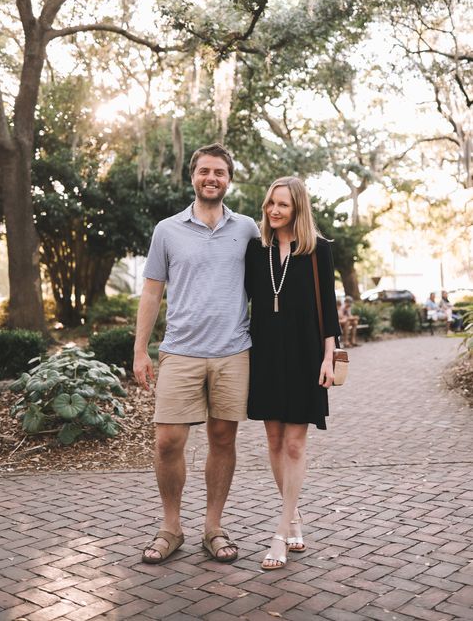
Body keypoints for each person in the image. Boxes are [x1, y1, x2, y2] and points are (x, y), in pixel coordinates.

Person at [133, 143, 259, 565]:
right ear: (193, 176)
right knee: (168, 441)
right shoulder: (167, 230)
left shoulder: (247, 230)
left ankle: (213, 527)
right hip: (180, 352)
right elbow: (152, 292)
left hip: (232, 351)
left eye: (219, 172)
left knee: (223, 438)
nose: (212, 178)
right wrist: (140, 351)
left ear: (228, 179)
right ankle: (171, 527)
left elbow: (273, 282)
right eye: (205, 171)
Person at [244, 176, 341, 571]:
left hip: (304, 357)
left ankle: (281, 532)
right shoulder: (256, 250)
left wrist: (328, 358)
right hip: (265, 355)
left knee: (295, 445)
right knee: (273, 440)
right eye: (270, 203)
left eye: (282, 204)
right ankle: (295, 514)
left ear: (298, 208)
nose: (274, 210)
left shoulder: (319, 252)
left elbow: (329, 312)